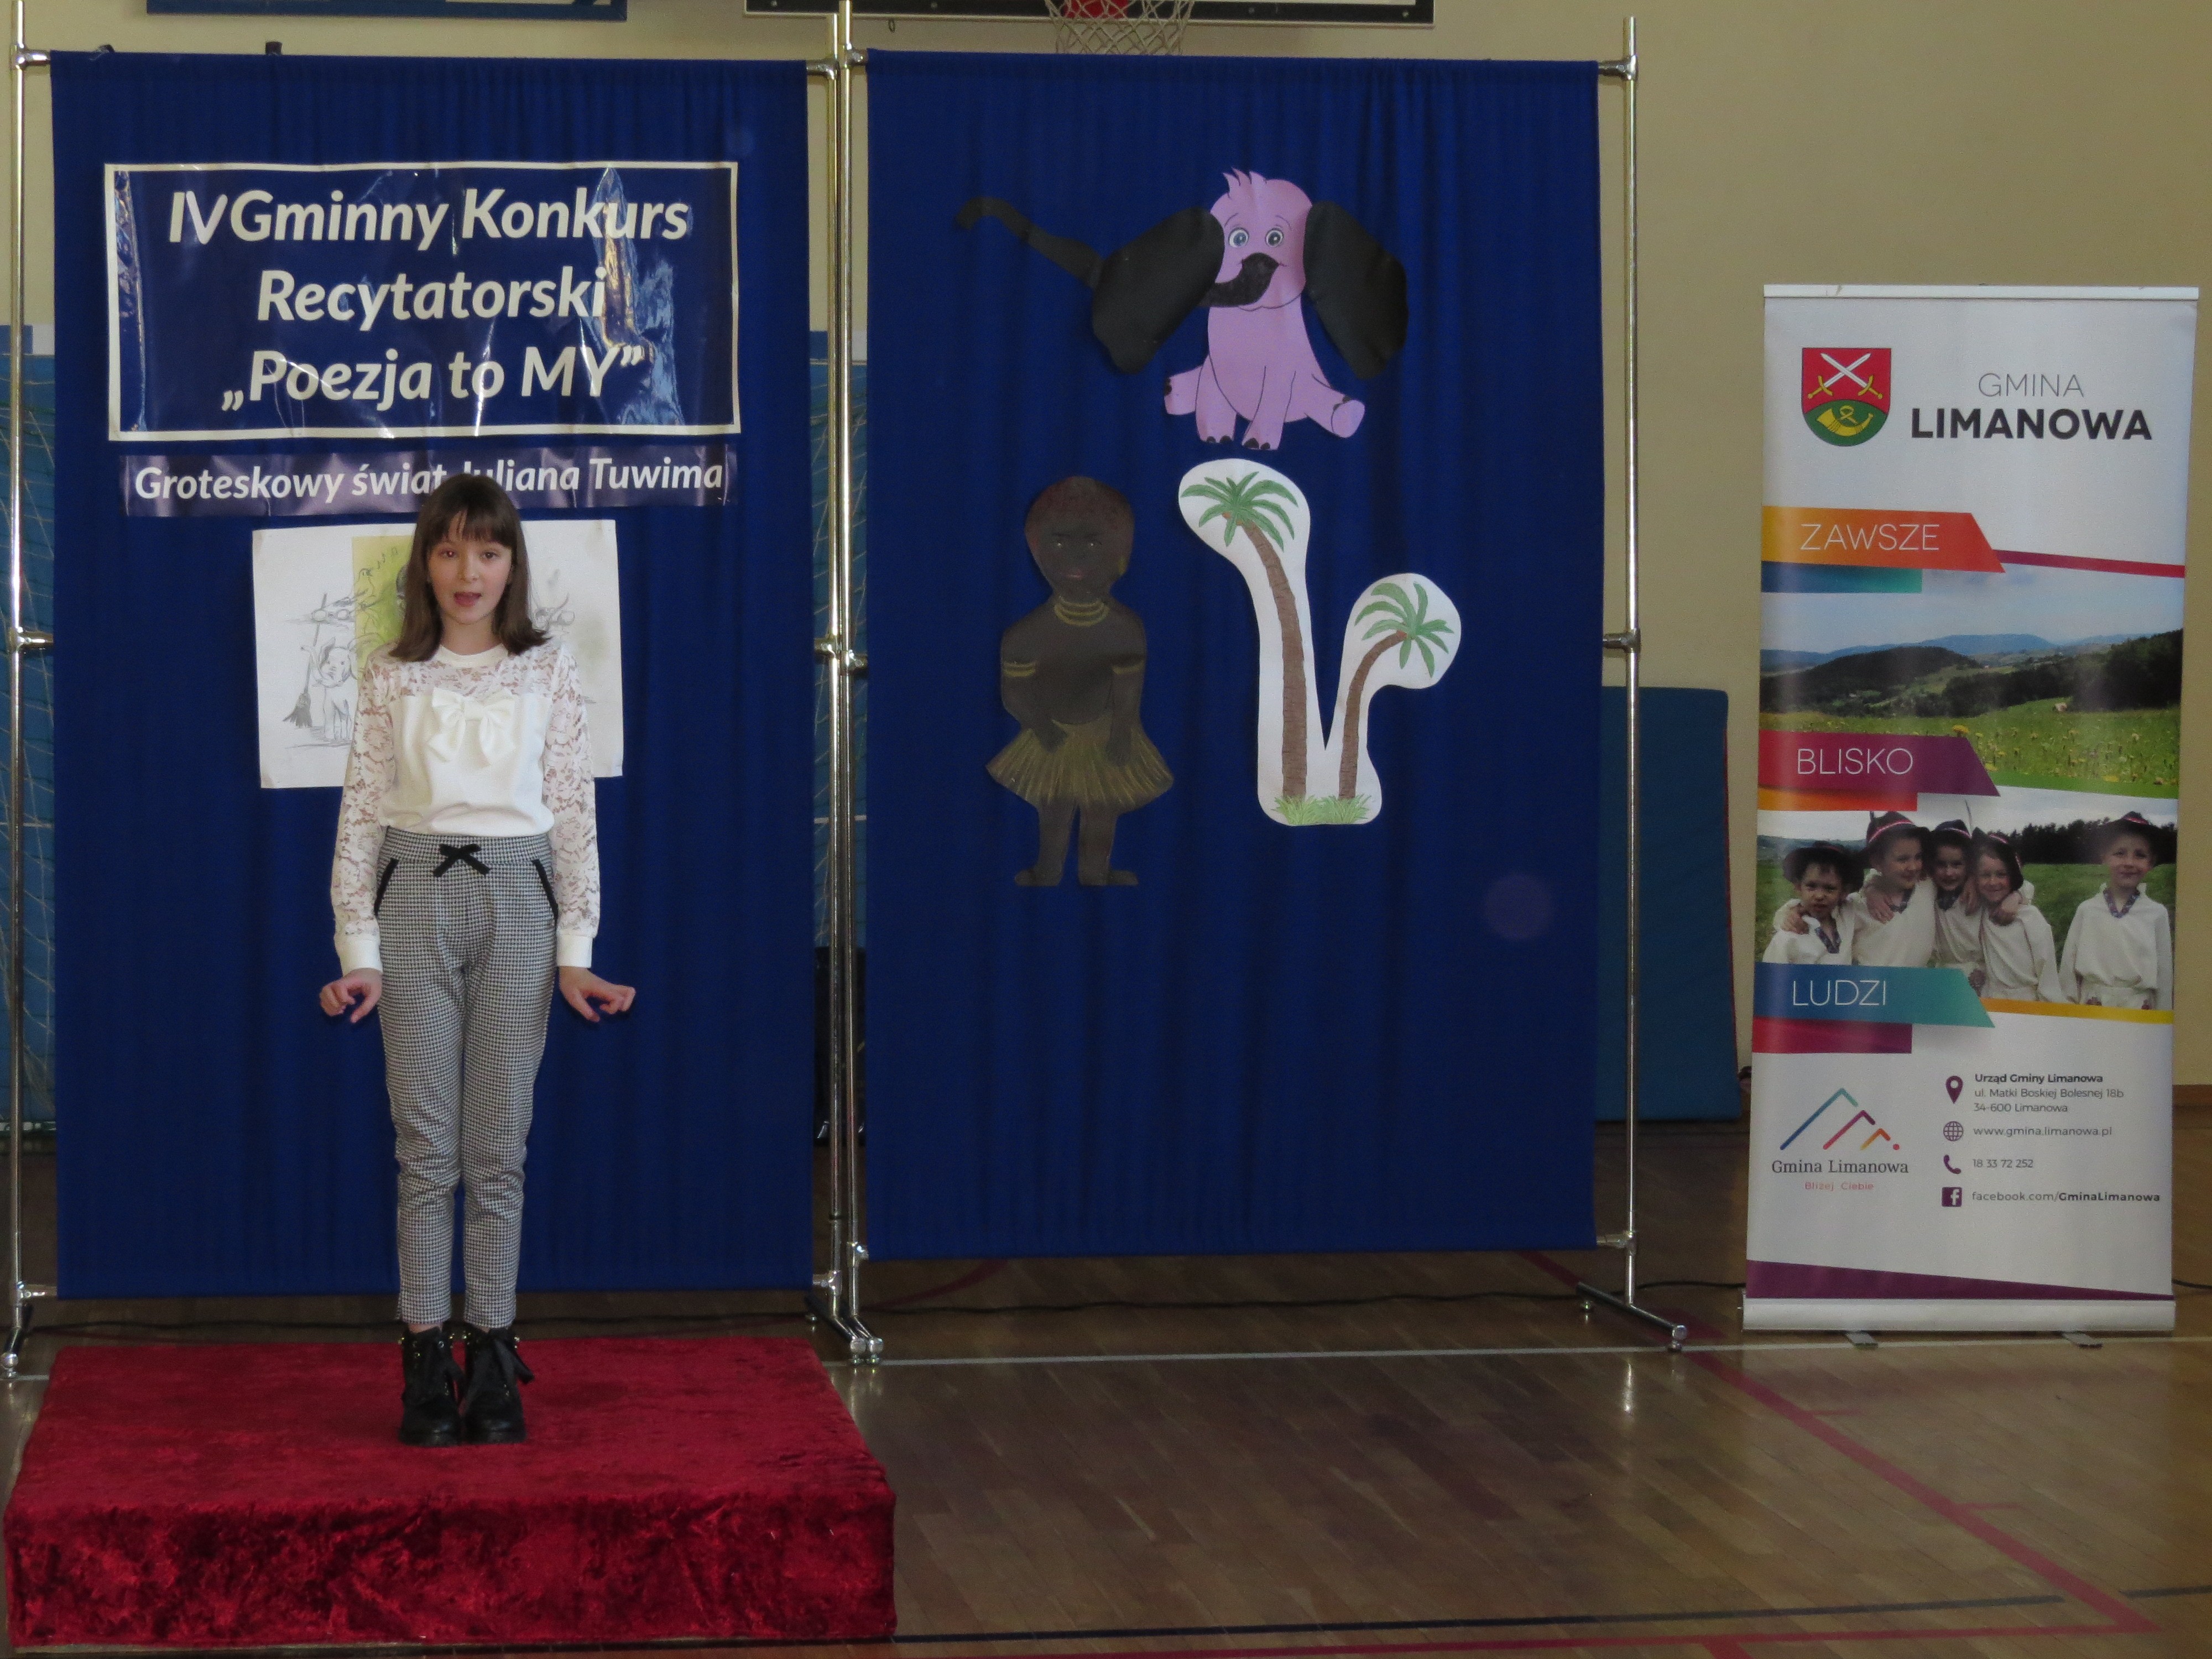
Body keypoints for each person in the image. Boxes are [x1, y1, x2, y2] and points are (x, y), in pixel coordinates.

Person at [318, 476, 637, 1448]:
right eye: (451, 550)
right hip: (414, 901)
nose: (469, 572)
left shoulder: (546, 670)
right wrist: (359, 949)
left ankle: (493, 1352)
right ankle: (425, 1358)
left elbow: (573, 812)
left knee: (498, 1149)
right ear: (426, 563)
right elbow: (361, 816)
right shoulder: (391, 673)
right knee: (427, 1149)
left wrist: (576, 951)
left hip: (519, 906)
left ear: (512, 565)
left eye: (489, 552)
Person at [989, 476, 1173, 885]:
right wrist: (1043, 728)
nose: (1075, 555)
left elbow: (1128, 687)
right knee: (1055, 809)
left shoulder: (1124, 629)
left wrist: (1122, 732)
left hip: (1104, 735)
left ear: (1119, 551)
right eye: (1058, 542)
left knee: (1102, 810)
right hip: (1052, 735)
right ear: (1038, 548)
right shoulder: (1027, 634)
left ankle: (1095, 874)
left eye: (1092, 543)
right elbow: (1014, 692)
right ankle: (1048, 872)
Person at [2059, 811, 2173, 1010]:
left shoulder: (2157, 913)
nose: (2129, 862)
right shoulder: (2087, 910)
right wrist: (2067, 1012)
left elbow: (2164, 976)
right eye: (2120, 853)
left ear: (2151, 862)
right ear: (2104, 857)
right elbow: (2068, 969)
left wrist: (2162, 1018)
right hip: (2092, 1005)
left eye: (2140, 855)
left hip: (2138, 1008)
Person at [1971, 833, 2061, 1004]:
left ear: (2012, 876)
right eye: (1985, 875)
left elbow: (2047, 971)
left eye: (2001, 874)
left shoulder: (2030, 917)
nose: (1993, 882)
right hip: (1990, 1001)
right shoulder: (1981, 912)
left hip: (2027, 1003)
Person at [1763, 843, 1859, 964]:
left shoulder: (1848, 913)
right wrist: (1791, 911)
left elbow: (1867, 894)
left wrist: (1872, 886)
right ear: (1798, 886)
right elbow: (1772, 973)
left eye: (1830, 888)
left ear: (1844, 892)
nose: (1819, 896)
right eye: (1811, 886)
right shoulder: (1787, 938)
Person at [1926, 820, 1985, 988]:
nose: (1949, 873)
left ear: (1969, 865)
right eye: (1941, 865)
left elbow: (2021, 887)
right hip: (1943, 979)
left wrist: (1974, 878)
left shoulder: (1980, 891)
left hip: (1981, 978)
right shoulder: (1928, 889)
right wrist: (1873, 888)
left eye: (1957, 864)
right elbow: (1876, 876)